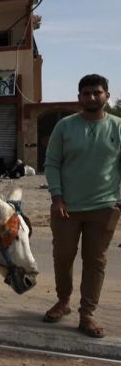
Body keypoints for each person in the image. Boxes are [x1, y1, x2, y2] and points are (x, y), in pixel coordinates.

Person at [43, 74, 121, 339]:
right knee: (63, 256)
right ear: (79, 97)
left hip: (104, 208)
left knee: (95, 262)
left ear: (106, 96)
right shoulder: (65, 127)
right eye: (85, 93)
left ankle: (86, 314)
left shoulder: (118, 127)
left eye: (96, 93)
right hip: (66, 207)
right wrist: (57, 197)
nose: (91, 97)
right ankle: (63, 301)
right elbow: (52, 163)